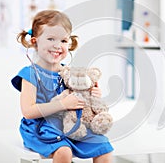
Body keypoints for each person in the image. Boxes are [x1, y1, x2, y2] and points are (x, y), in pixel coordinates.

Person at [11, 10, 113, 163]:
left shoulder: (68, 73)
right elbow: (28, 112)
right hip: (40, 128)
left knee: (103, 146)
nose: (58, 46)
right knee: (64, 151)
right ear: (34, 42)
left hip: (69, 124)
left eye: (64, 41)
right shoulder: (30, 74)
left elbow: (79, 97)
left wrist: (93, 94)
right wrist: (63, 104)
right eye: (51, 39)